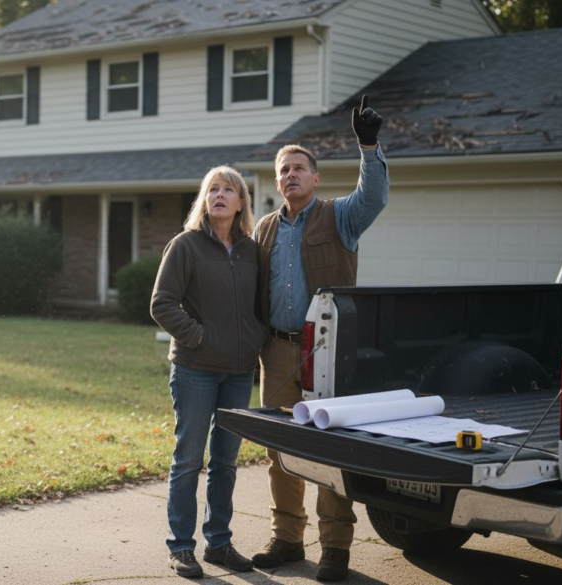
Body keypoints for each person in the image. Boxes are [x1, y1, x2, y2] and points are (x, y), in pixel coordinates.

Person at [252, 95, 389, 582]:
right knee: (280, 452)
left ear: (316, 178)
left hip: (328, 350)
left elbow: (373, 196)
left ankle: (335, 548)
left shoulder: (341, 217)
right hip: (277, 351)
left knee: (329, 448)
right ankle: (287, 539)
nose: (290, 175)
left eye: (298, 169)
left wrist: (368, 146)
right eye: (283, 170)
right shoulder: (266, 228)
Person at [151, 165, 269, 578]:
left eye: (228, 190)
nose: (219, 194)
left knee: (226, 462)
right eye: (212, 189)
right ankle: (181, 547)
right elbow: (162, 304)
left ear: (240, 203)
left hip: (238, 373)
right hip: (195, 370)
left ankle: (218, 543)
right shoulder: (185, 246)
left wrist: (253, 338)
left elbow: (260, 307)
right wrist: (200, 337)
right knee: (188, 459)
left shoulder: (252, 250)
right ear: (204, 200)